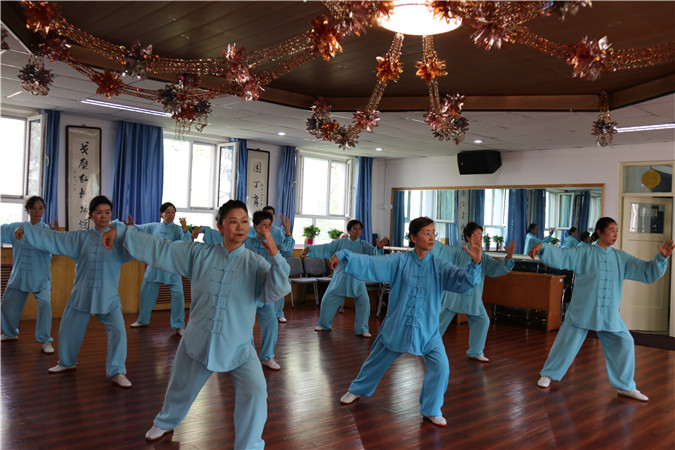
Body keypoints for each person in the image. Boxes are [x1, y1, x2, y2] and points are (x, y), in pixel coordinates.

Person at [102, 200, 290, 448]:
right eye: (233, 222)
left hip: (239, 346)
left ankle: (249, 445)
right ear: (220, 227)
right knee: (180, 387)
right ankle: (166, 421)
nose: (240, 227)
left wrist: (276, 255)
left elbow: (273, 292)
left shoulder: (256, 263)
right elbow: (162, 249)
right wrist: (124, 232)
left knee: (256, 391)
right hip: (198, 340)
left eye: (244, 221)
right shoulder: (200, 254)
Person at [337, 217, 482, 426]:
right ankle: (357, 389)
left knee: (441, 367)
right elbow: (371, 263)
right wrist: (344, 256)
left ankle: (432, 409)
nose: (431, 238)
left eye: (433, 233)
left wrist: (475, 264)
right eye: (426, 233)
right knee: (376, 361)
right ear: (413, 238)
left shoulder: (440, 266)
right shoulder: (399, 261)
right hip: (398, 325)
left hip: (428, 330)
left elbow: (463, 280)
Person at [529, 217, 673, 401]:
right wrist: (543, 247)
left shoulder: (621, 257)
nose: (615, 234)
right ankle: (548, 374)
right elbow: (563, 255)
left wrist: (661, 258)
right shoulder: (584, 252)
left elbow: (645, 271)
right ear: (599, 232)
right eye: (612, 230)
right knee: (565, 343)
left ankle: (625, 386)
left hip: (609, 313)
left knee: (625, 342)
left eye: (617, 230)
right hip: (582, 309)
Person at [14, 195, 133, 388]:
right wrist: (27, 229)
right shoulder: (80, 238)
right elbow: (54, 238)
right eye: (99, 212)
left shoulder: (118, 241)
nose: (103, 216)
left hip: (108, 296)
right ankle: (66, 362)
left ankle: (117, 371)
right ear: (91, 215)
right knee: (68, 328)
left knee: (119, 331)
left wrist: (129, 232)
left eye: (107, 212)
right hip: (81, 293)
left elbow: (138, 245)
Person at [431, 222, 516, 362]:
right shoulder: (457, 252)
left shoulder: (484, 257)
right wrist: (429, 237)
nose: (479, 238)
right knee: (439, 323)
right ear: (468, 237)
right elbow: (440, 250)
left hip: (473, 297)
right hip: (454, 295)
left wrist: (509, 257)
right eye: (476, 235)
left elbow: (496, 269)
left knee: (482, 321)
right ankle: (427, 347)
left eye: (481, 236)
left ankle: (475, 351)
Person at [302, 219, 389, 338]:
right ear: (349, 231)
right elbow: (326, 248)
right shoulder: (340, 242)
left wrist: (378, 248)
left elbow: (374, 255)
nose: (357, 231)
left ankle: (362, 329)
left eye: (359, 229)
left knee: (364, 304)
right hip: (340, 277)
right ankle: (323, 325)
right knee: (327, 301)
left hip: (357, 278)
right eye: (355, 228)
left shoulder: (363, 244)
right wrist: (310, 249)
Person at [1, 196, 58, 353]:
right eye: (33, 208)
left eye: (40, 208)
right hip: (19, 275)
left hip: (40, 277)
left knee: (45, 305)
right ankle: (10, 333)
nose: (37, 211)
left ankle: (45, 340)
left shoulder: (46, 231)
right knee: (6, 305)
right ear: (27, 210)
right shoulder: (16, 228)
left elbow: (56, 248)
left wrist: (55, 236)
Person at [129, 202, 191, 335]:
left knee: (178, 295)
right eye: (168, 212)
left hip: (172, 266)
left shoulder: (178, 229)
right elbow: (137, 229)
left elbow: (187, 242)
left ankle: (179, 325)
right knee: (146, 293)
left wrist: (185, 229)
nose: (171, 215)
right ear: (161, 214)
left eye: (173, 212)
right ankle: (142, 320)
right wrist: (129, 226)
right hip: (155, 265)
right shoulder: (153, 226)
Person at [244, 210, 295, 370]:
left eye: (269, 225)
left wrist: (288, 234)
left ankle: (267, 356)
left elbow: (287, 252)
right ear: (255, 226)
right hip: (246, 289)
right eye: (263, 225)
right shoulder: (247, 240)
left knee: (271, 323)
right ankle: (247, 356)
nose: (267, 228)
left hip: (264, 290)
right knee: (245, 325)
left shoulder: (273, 242)